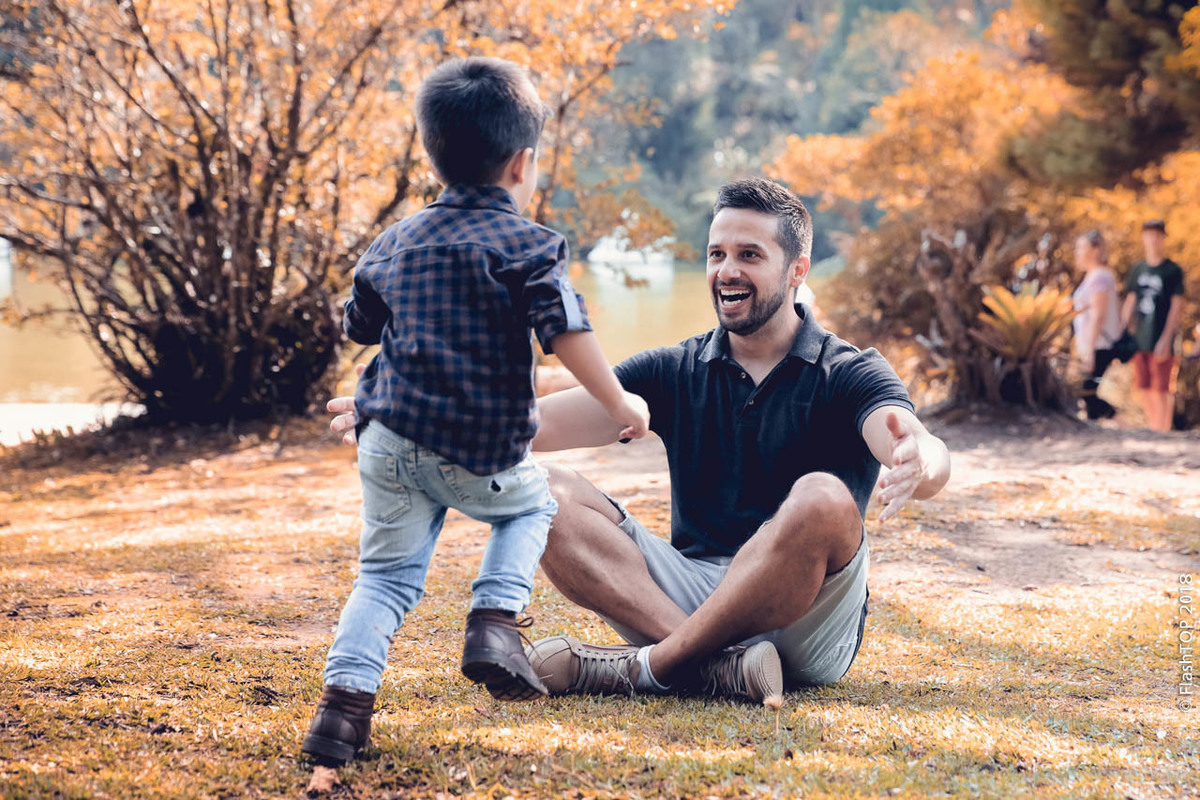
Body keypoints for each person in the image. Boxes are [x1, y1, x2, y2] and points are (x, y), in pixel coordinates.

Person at [329, 178, 951, 703]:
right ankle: (708, 665)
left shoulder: (848, 371)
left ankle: (646, 667)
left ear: (796, 270)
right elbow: (530, 426)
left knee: (822, 497)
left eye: (749, 256)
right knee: (542, 491)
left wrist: (918, 457)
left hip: (807, 615)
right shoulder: (676, 370)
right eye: (715, 254)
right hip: (685, 588)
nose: (726, 271)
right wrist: (402, 411)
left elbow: (917, 447)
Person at [302, 57, 650, 768]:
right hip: (480, 447)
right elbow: (566, 332)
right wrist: (620, 403)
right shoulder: (529, 245)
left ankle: (340, 717)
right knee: (528, 510)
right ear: (522, 164)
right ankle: (493, 623)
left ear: (433, 158)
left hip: (390, 441)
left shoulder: (395, 241)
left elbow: (359, 324)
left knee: (385, 580)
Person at [1122, 219, 1186, 432]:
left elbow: (1176, 307)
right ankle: (1153, 429)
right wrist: (1123, 334)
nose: (1152, 239)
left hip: (1161, 337)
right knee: (1144, 386)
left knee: (1162, 388)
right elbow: (1130, 302)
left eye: (1157, 235)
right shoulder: (1137, 269)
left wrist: (1166, 339)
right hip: (1140, 338)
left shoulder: (1172, 270)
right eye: (1148, 234)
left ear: (1163, 238)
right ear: (1143, 237)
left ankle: (1162, 431)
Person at [1071, 230, 1123, 420]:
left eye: (1081, 247)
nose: (1077, 252)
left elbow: (1098, 316)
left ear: (1095, 250)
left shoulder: (1099, 277)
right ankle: (1113, 426)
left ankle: (1121, 421)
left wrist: (1090, 352)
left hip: (1099, 346)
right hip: (1092, 345)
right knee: (1088, 392)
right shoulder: (1092, 276)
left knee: (1087, 392)